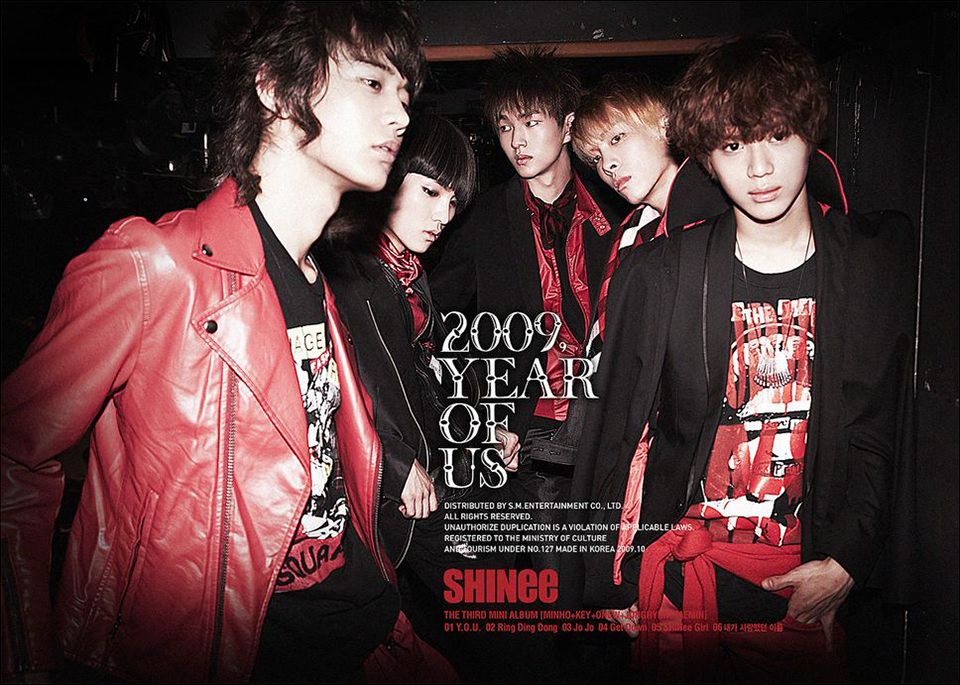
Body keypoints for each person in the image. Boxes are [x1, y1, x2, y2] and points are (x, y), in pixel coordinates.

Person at [0, 3, 455, 683]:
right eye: (372, 83)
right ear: (275, 88)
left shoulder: (326, 286)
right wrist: (29, 660)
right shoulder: (155, 266)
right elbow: (13, 457)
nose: (400, 115)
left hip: (365, 636)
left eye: (405, 96)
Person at [567, 32, 915, 682]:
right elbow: (618, 432)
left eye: (777, 135)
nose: (758, 168)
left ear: (809, 133)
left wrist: (847, 559)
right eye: (732, 145)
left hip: (798, 577)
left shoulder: (867, 262)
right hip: (679, 572)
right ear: (705, 153)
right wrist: (607, 573)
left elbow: (876, 426)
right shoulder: (660, 272)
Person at [319, 113, 524, 677]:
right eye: (431, 192)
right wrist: (392, 462)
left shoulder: (406, 270)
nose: (444, 216)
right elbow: (330, 383)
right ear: (389, 177)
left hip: (429, 484)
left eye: (454, 202)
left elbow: (418, 380)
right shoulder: (344, 265)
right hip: (384, 497)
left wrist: (478, 429)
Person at [429, 47, 626, 573]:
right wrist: (482, 415)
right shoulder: (487, 216)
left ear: (567, 126)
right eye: (504, 126)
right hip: (530, 433)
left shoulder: (616, 204)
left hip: (611, 425)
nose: (516, 141)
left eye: (531, 123)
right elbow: (434, 318)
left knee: (609, 582)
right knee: (545, 588)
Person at [570, 71, 727, 350]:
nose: (607, 165)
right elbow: (610, 347)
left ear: (665, 126)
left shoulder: (720, 214)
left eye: (616, 138)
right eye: (595, 157)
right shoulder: (631, 234)